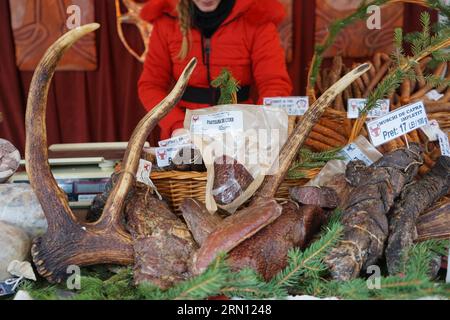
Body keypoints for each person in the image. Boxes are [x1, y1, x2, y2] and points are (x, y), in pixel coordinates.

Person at [139, 0, 293, 140]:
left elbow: (274, 83)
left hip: (241, 130)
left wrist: (260, 124)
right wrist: (177, 125)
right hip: (185, 132)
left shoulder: (257, 16)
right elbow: (151, 86)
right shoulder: (166, 21)